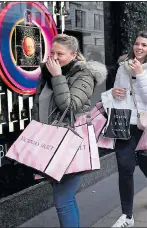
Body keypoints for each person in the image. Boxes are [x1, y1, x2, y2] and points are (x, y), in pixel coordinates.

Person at [31, 34, 107, 227]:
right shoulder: (47, 74)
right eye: (52, 52)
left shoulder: (83, 75)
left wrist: (57, 76)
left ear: (74, 54)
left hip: (69, 144)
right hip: (50, 144)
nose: (54, 57)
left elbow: (69, 106)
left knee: (62, 201)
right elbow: (39, 107)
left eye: (60, 54)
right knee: (65, 199)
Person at [109, 31, 147, 228]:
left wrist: (140, 73)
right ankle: (127, 215)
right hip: (124, 122)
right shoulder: (123, 67)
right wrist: (113, 92)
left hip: (145, 124)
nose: (139, 48)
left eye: (144, 45)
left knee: (146, 163)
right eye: (137, 44)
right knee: (125, 168)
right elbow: (116, 93)